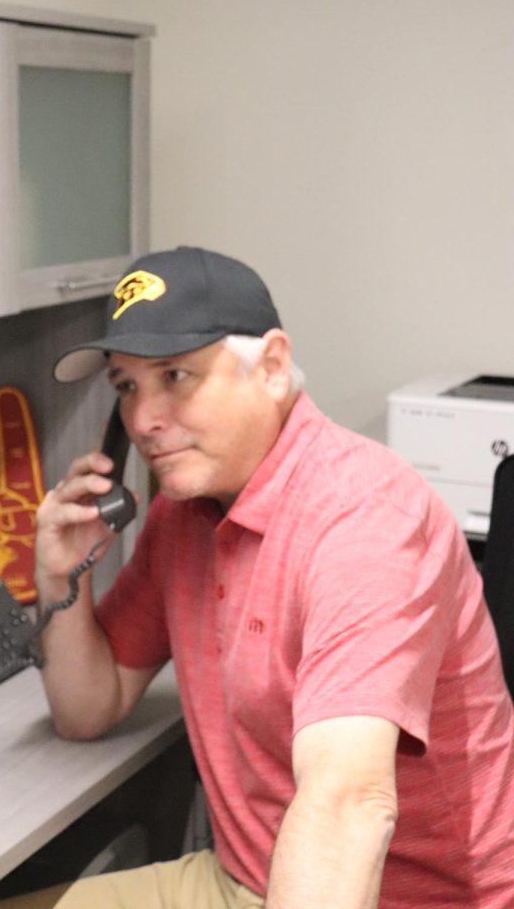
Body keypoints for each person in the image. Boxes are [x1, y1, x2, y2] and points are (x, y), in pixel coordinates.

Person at [35, 246, 514, 909]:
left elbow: (347, 802)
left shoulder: (364, 519)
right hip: (247, 877)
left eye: (175, 375)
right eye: (127, 387)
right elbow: (88, 708)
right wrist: (63, 576)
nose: (142, 420)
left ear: (271, 366)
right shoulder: (184, 512)